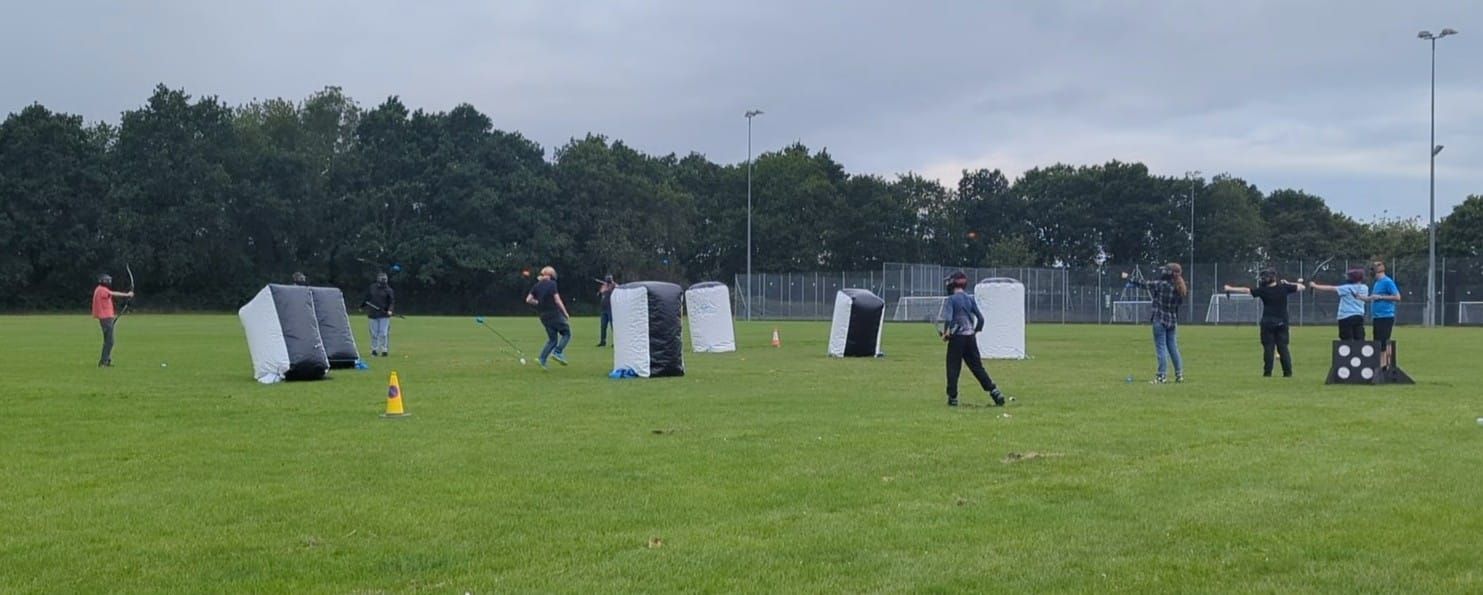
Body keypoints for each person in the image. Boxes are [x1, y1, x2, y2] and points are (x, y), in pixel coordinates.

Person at [941, 271, 1007, 407]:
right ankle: (994, 391)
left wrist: (946, 333)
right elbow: (981, 318)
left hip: (957, 338)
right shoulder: (969, 299)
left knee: (953, 367)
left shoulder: (951, 300)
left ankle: (952, 398)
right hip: (970, 338)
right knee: (977, 367)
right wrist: (975, 331)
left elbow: (948, 318)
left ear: (952, 283)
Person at [1224, 269, 1305, 377]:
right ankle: (1288, 373)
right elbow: (1302, 287)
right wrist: (1288, 283)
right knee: (1283, 348)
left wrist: (1230, 288)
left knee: (1268, 348)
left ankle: (1267, 373)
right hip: (1282, 322)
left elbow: (1246, 290)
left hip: (1267, 323)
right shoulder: (1284, 288)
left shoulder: (1263, 290)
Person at [1122, 263, 1188, 384]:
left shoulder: (1161, 285)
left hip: (1160, 320)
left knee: (1161, 348)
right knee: (1173, 347)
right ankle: (1179, 375)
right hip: (1172, 321)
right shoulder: (1180, 288)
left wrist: (1128, 277)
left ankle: (1161, 376)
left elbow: (1144, 284)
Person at [525, 266, 572, 368]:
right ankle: (558, 352)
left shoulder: (537, 285)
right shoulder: (552, 284)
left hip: (543, 315)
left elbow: (528, 299)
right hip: (554, 313)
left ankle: (542, 359)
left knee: (552, 339)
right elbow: (557, 300)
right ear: (552, 275)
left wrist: (537, 302)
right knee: (566, 333)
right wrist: (565, 313)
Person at [1309, 269, 1369, 341]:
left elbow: (1331, 288)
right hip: (1359, 317)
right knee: (1359, 340)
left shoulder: (1347, 288)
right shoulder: (1365, 288)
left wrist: (1314, 285)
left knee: (1346, 342)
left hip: (1345, 317)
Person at [92, 273, 135, 367]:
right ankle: (103, 362)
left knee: (108, 340)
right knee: (110, 341)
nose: (109, 282)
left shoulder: (100, 289)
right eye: (108, 281)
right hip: (105, 318)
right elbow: (113, 293)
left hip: (106, 318)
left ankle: (106, 360)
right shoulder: (102, 290)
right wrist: (127, 295)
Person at [1367, 259, 1400, 368]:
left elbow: (1397, 297)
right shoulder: (1377, 283)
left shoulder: (1387, 282)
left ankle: (1384, 364)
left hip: (1386, 316)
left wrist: (1381, 297)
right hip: (1377, 317)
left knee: (1383, 342)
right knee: (1378, 341)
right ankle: (1383, 363)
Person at [364, 272, 395, 356]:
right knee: (374, 333)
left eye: (384, 279)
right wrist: (362, 306)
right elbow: (367, 298)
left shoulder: (389, 290)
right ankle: (374, 349)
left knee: (383, 333)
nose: (383, 281)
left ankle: (384, 350)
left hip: (384, 315)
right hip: (373, 314)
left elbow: (391, 302)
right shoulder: (372, 287)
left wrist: (390, 310)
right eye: (382, 279)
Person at [596, 274, 616, 347]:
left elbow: (616, 289)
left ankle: (615, 342)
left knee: (613, 326)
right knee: (603, 326)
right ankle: (602, 341)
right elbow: (599, 294)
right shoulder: (604, 286)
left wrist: (608, 288)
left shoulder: (614, 286)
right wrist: (602, 290)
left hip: (611, 309)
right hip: (603, 309)